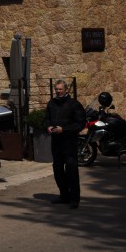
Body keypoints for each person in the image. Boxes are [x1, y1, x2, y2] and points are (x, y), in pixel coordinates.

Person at [45, 79, 86, 208]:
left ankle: (74, 199)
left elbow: (80, 124)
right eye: (56, 89)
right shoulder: (51, 103)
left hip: (69, 142)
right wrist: (48, 126)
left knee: (71, 170)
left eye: (60, 89)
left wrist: (64, 129)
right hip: (56, 142)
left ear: (66, 90)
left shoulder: (74, 104)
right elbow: (47, 118)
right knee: (57, 169)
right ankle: (64, 196)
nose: (58, 91)